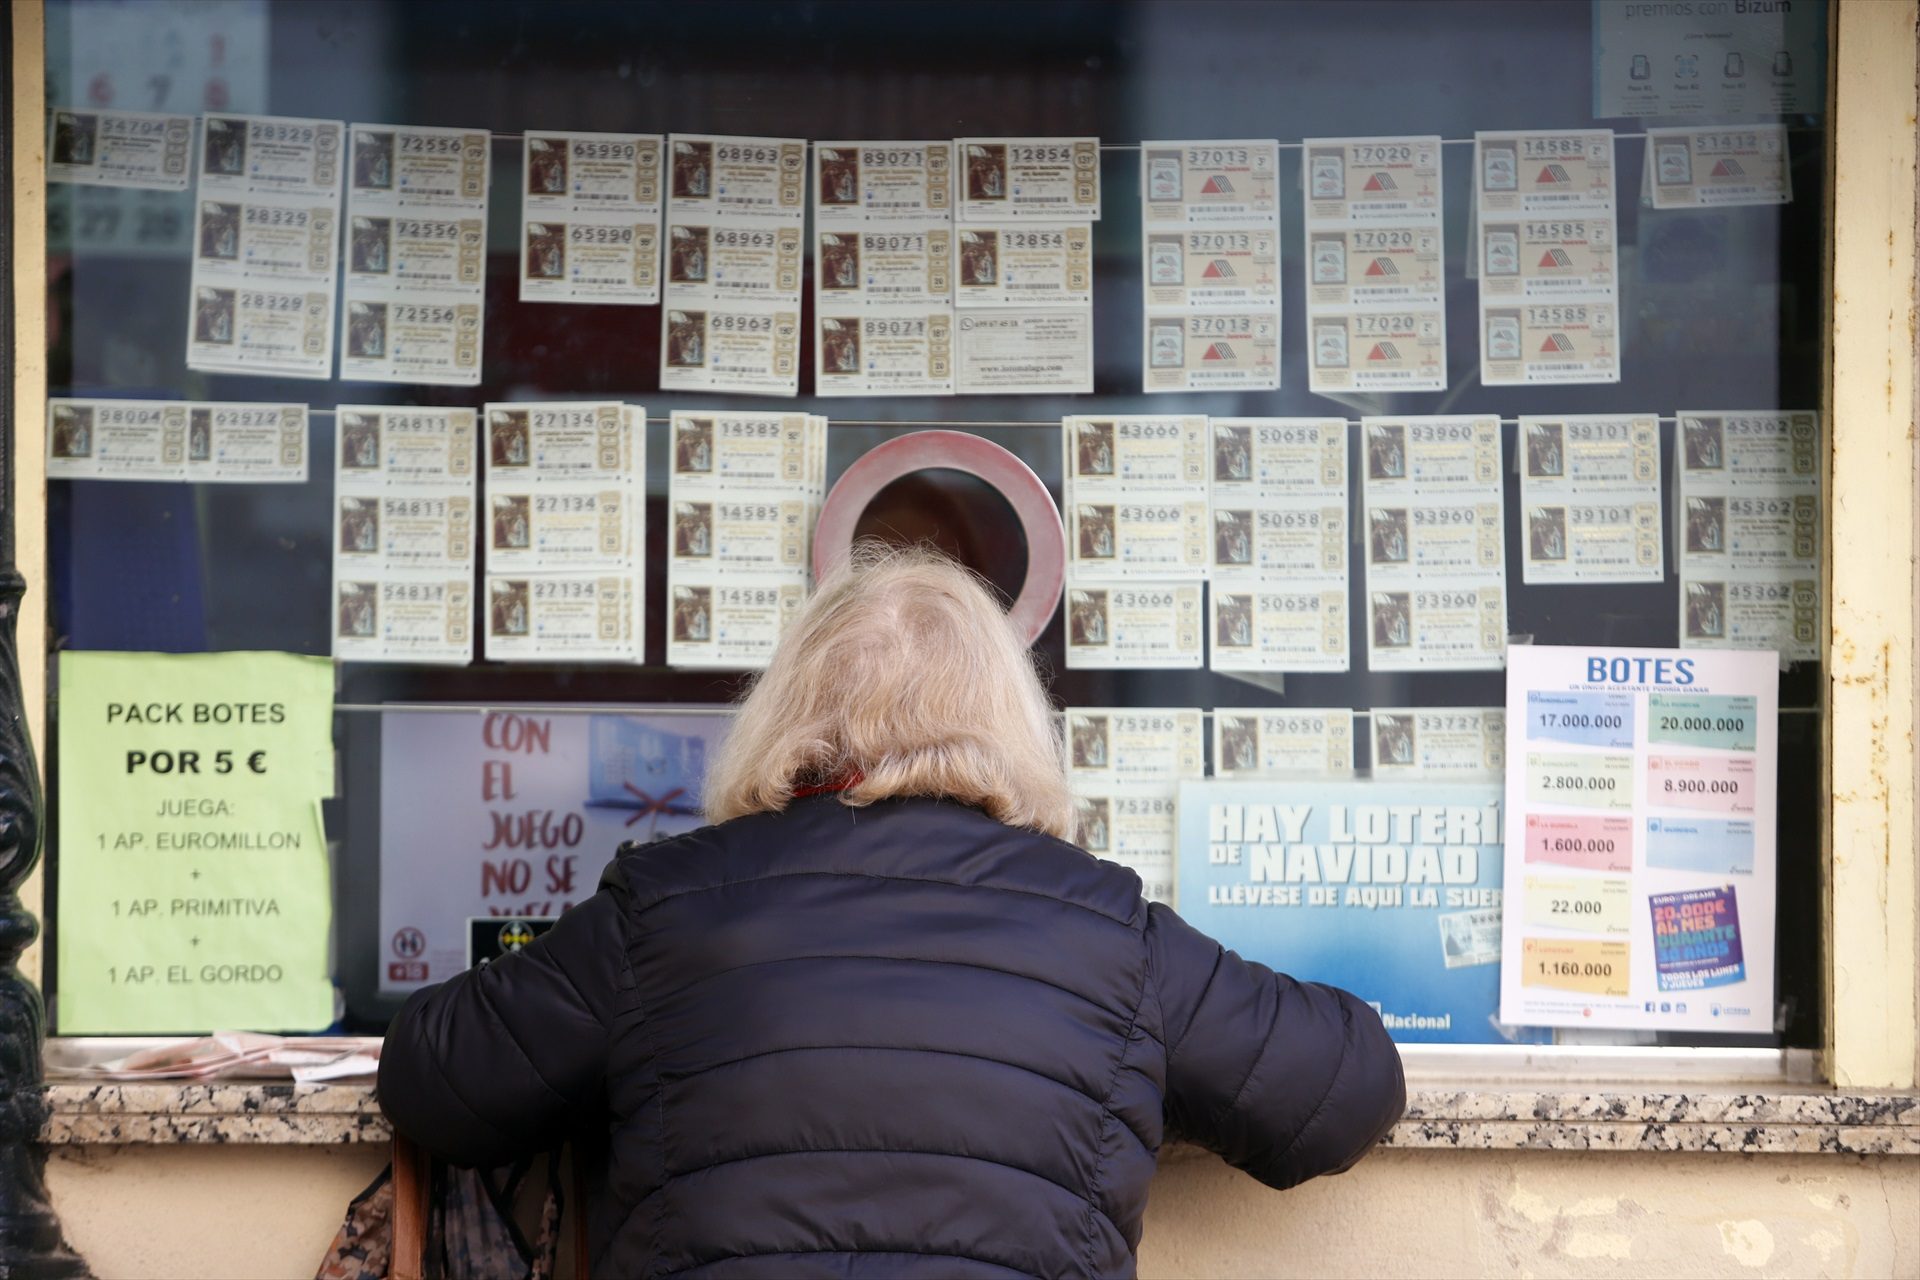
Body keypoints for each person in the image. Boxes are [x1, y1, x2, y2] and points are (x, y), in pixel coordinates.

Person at [379, 544, 1404, 1279]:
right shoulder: (1109, 930)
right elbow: (1345, 1088)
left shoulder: (666, 907)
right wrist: (1132, 1072)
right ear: (1009, 721)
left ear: (788, 710)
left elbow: (435, 1074)